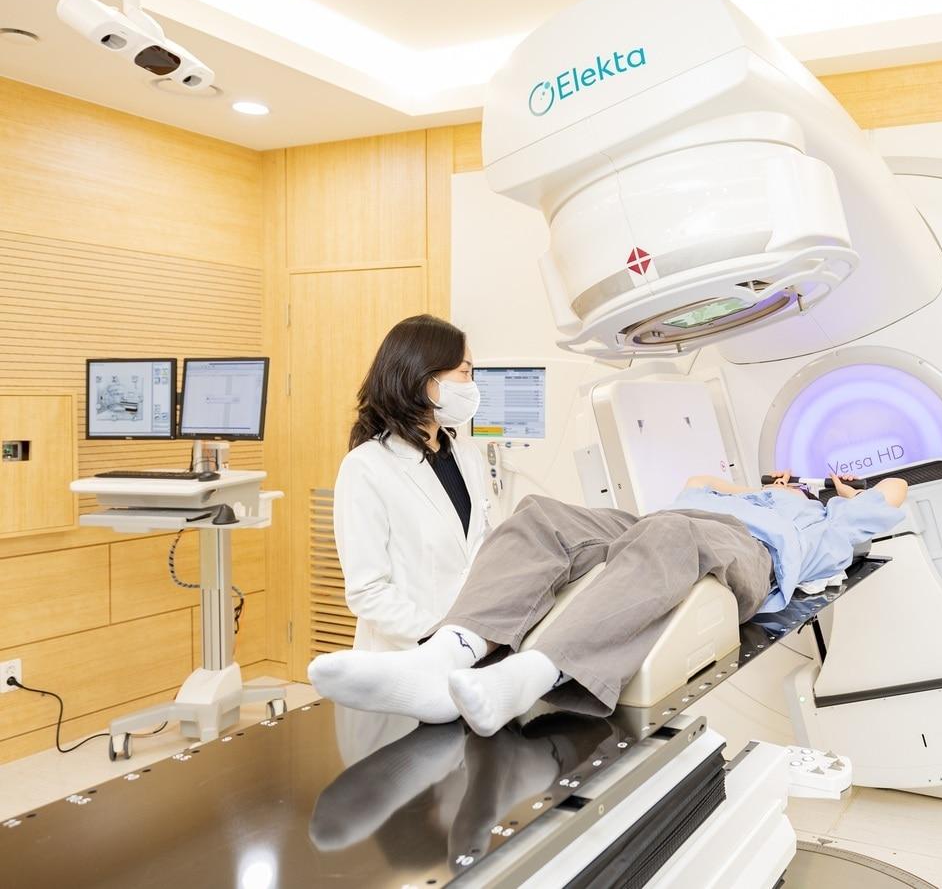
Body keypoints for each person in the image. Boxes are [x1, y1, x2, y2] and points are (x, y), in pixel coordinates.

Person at [310, 471, 907, 737]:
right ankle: (442, 657)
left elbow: (894, 491)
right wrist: (760, 485)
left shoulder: (824, 521)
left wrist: (834, 493)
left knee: (669, 534)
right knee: (539, 515)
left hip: (749, 551)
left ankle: (528, 675)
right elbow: (701, 479)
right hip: (658, 520)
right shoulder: (734, 491)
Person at [333, 315, 493, 652]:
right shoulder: (366, 467)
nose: (471, 384)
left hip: (469, 647)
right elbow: (368, 590)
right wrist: (439, 640)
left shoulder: (467, 455)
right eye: (465, 372)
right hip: (407, 654)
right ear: (424, 377)